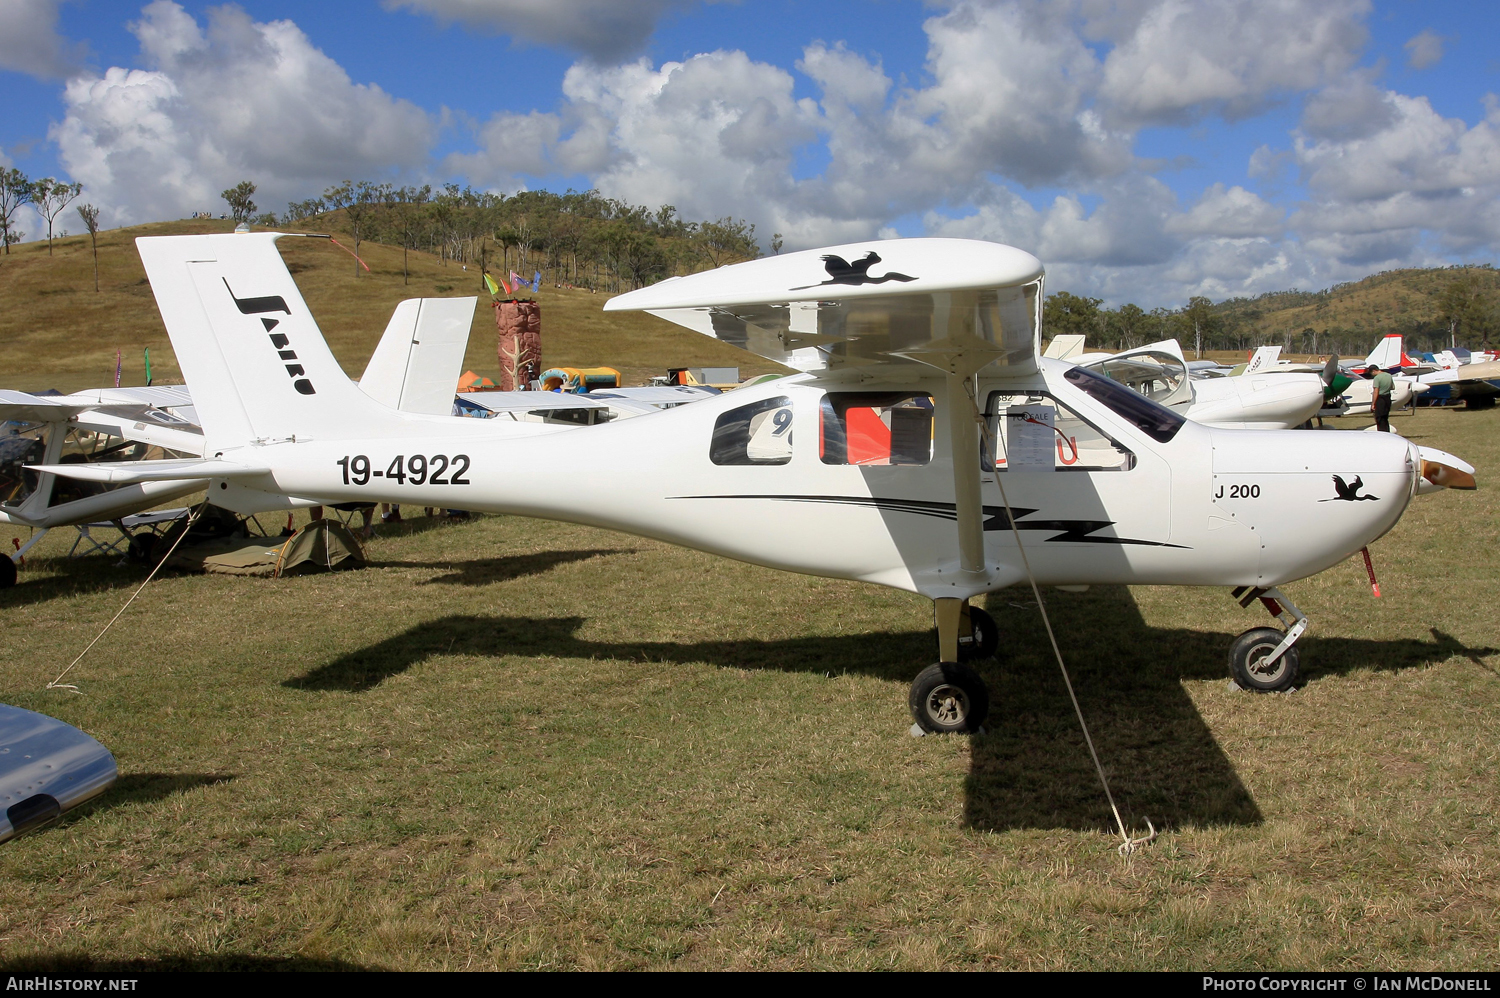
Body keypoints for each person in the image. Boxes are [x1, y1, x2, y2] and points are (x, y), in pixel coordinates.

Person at [1367, 364, 1395, 432]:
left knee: (1379, 417)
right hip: (1387, 397)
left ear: (1373, 371)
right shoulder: (1389, 375)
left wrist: (1373, 403)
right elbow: (1392, 387)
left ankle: (1382, 432)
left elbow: (1376, 391)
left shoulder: (1377, 378)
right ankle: (1387, 431)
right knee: (1385, 417)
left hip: (1380, 398)